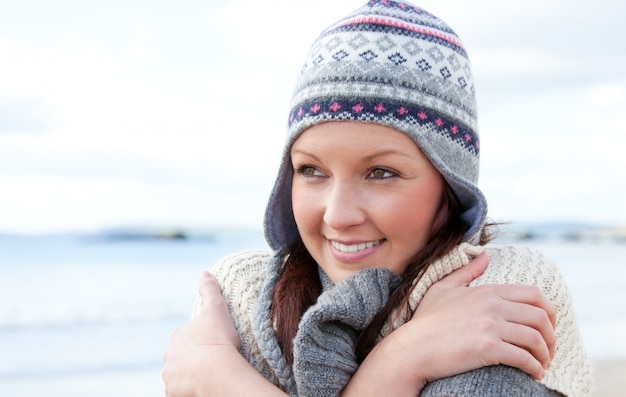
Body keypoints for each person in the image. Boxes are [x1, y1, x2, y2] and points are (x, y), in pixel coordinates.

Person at [162, 1, 594, 396]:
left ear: (450, 183)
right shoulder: (240, 292)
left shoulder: (504, 290)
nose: (338, 214)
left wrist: (224, 380)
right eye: (311, 170)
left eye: (381, 173)